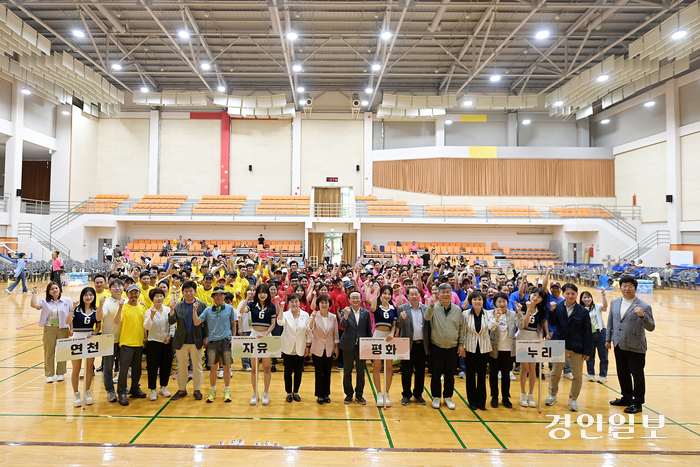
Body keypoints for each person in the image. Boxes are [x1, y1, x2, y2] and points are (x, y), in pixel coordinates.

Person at [606, 277, 655, 414]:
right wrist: (608, 339)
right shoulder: (615, 302)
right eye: (624, 286)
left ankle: (638, 402)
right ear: (620, 287)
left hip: (635, 346)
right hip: (618, 344)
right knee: (622, 373)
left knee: (637, 375)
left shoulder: (644, 306)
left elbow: (651, 327)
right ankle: (626, 397)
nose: (627, 288)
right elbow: (611, 321)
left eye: (630, 286)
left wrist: (642, 316)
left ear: (635, 288)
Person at [545, 283, 593, 412]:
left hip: (577, 346)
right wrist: (552, 312)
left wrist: (588, 350)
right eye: (567, 293)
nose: (570, 296)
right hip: (559, 343)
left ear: (577, 295)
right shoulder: (558, 307)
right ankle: (552, 395)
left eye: (573, 293)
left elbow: (587, 331)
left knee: (577, 375)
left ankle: (573, 399)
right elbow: (553, 324)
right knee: (555, 372)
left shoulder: (583, 311)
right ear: (563, 294)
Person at [425, 283, 465, 410]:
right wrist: (431, 305)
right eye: (443, 292)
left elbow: (461, 328)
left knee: (450, 374)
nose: (446, 294)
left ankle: (448, 397)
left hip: (453, 347)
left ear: (451, 294)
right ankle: (436, 397)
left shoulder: (457, 309)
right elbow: (426, 317)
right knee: (436, 374)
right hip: (437, 346)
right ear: (439, 294)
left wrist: (461, 344)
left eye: (448, 292)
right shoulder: (433, 307)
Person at [193, 287, 236, 403]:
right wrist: (194, 310)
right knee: (213, 367)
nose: (219, 297)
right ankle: (213, 391)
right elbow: (197, 322)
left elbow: (233, 324)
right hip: (212, 342)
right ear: (213, 298)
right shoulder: (207, 310)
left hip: (226, 340)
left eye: (222, 295)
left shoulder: (230, 308)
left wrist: (233, 338)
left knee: (227, 367)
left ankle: (227, 391)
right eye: (217, 295)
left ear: (224, 297)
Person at [169, 281, 207, 402]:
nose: (188, 293)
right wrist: (171, 309)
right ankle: (182, 390)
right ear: (183, 293)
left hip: (197, 340)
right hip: (181, 341)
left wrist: (206, 337)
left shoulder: (201, 305)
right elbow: (171, 321)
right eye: (186, 291)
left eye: (191, 291)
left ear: (195, 292)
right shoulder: (178, 305)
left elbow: (206, 323)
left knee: (197, 366)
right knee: (181, 367)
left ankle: (197, 389)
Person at [460, 290, 496, 411]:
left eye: (480, 299)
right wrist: (462, 347)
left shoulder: (489, 314)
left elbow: (493, 327)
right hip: (469, 348)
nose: (477, 301)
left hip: (484, 348)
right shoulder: (465, 314)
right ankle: (472, 401)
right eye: (475, 299)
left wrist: (496, 319)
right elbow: (463, 332)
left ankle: (482, 401)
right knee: (470, 375)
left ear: (483, 301)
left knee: (482, 375)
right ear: (471, 301)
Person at [66, 287, 103, 407]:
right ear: (82, 296)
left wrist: (94, 334)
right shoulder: (76, 309)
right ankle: (76, 393)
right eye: (86, 295)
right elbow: (67, 321)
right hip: (77, 339)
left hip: (90, 340)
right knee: (76, 369)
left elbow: (98, 326)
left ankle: (87, 392)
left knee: (88, 369)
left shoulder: (96, 310)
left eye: (91, 295)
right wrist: (72, 308)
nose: (88, 297)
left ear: (94, 297)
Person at [31, 282, 73, 384]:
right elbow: (33, 305)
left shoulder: (67, 301)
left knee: (62, 351)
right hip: (49, 329)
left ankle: (61, 373)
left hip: (63, 329)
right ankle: (49, 374)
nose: (55, 290)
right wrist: (34, 292)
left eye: (56, 288)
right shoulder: (45, 302)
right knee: (49, 352)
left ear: (59, 289)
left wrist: (71, 329)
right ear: (49, 292)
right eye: (52, 289)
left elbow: (71, 315)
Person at [243, 283, 277, 406]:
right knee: (254, 367)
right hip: (254, 335)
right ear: (257, 294)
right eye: (260, 292)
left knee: (267, 367)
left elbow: (273, 324)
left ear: (267, 294)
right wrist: (247, 297)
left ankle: (266, 392)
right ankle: (255, 392)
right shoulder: (251, 304)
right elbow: (241, 311)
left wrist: (266, 334)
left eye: (265, 292)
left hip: (267, 336)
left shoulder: (272, 306)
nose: (262, 295)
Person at [515, 288, 549, 408]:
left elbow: (539, 327)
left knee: (533, 368)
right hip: (522, 337)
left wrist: (541, 337)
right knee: (525, 368)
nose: (535, 298)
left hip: (533, 338)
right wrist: (529, 309)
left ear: (541, 300)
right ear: (530, 294)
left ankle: (531, 394)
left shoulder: (541, 310)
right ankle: (523, 393)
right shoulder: (522, 306)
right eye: (534, 295)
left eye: (538, 297)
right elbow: (525, 324)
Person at [396, 286, 430, 406]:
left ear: (419, 295)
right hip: (407, 345)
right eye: (412, 294)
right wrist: (402, 318)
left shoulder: (426, 309)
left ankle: (418, 394)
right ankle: (406, 394)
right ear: (408, 296)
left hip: (422, 345)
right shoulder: (402, 308)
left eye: (416, 294)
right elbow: (399, 326)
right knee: (406, 371)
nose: (414, 296)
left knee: (421, 371)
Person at [114, 284, 147, 406]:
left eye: (136, 293)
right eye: (131, 293)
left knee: (137, 369)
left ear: (139, 294)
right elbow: (116, 321)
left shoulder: (142, 307)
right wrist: (120, 308)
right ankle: (122, 392)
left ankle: (134, 388)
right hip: (126, 344)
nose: (134, 295)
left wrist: (145, 338)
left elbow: (143, 324)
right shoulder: (123, 307)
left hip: (139, 343)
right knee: (124, 370)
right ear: (127, 294)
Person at [339, 290, 372, 405]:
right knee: (347, 371)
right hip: (348, 346)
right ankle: (348, 394)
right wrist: (346, 315)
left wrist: (369, 346)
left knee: (361, 372)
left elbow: (368, 330)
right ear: (349, 300)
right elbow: (342, 325)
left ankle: (359, 394)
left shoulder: (366, 313)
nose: (355, 300)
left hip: (362, 346)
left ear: (360, 299)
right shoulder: (345, 311)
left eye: (357, 298)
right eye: (352, 298)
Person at [143, 288, 175, 401]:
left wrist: (170, 336)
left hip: (167, 342)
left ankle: (163, 387)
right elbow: (147, 327)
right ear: (152, 298)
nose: (159, 298)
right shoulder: (148, 311)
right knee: (152, 366)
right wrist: (152, 315)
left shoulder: (168, 310)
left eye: (161, 296)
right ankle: (152, 389)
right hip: (153, 342)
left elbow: (172, 324)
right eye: (156, 296)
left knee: (166, 365)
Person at [278, 293, 311, 403]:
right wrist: (281, 310)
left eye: (296, 301)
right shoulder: (285, 314)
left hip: (300, 347)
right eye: (291, 301)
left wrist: (307, 346)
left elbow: (308, 332)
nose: (294, 303)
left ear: (299, 302)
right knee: (287, 372)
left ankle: (296, 392)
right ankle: (288, 392)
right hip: (288, 347)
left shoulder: (305, 315)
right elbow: (280, 323)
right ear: (289, 303)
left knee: (298, 371)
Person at [369, 285, 398, 407]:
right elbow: (373, 307)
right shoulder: (377, 305)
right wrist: (375, 291)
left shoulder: (393, 308)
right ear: (381, 294)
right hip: (377, 336)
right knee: (377, 366)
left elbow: (394, 325)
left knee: (389, 367)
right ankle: (379, 393)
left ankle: (387, 393)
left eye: (389, 293)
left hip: (388, 338)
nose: (387, 296)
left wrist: (392, 334)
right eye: (384, 293)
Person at [308, 293, 339, 404]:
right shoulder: (314, 316)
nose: (324, 304)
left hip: (330, 347)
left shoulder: (333, 317)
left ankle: (326, 394)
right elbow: (309, 328)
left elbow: (335, 333)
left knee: (327, 372)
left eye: (326, 302)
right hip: (317, 347)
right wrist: (313, 318)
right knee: (318, 372)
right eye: (322, 303)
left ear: (329, 304)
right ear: (318, 304)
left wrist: (336, 347)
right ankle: (319, 394)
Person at [489, 292, 517, 409]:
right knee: (493, 374)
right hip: (494, 349)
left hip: (508, 349)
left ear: (507, 302)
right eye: (499, 301)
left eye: (504, 301)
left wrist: (520, 313)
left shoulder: (512, 314)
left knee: (506, 375)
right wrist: (496, 319)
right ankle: (494, 396)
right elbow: (491, 327)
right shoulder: (490, 313)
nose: (502, 304)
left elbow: (520, 325)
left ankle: (505, 397)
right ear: (495, 303)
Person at [100, 279, 125, 402]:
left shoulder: (126, 301)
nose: (117, 288)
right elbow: (101, 316)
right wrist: (100, 306)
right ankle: (110, 390)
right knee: (108, 367)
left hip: (123, 339)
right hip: (108, 339)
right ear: (109, 289)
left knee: (123, 366)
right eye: (114, 286)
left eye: (120, 286)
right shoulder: (106, 303)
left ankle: (122, 388)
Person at [581, 290, 609, 383]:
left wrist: (603, 295)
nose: (587, 299)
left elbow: (605, 306)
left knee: (603, 356)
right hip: (588, 334)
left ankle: (603, 375)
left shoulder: (596, 306)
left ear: (591, 298)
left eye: (588, 297)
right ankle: (591, 374)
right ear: (581, 299)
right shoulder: (580, 309)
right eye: (584, 297)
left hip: (601, 333)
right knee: (590, 355)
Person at [237, 285, 256, 371]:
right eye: (250, 290)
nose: (251, 292)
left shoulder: (257, 303)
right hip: (245, 328)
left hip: (254, 329)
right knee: (244, 347)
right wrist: (240, 328)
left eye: (253, 290)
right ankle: (246, 365)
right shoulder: (242, 302)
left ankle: (252, 364)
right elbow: (239, 316)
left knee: (253, 347)